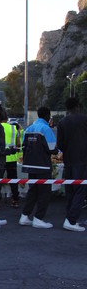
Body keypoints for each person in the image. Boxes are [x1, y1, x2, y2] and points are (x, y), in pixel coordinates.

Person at [19, 107, 58, 229]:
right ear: (47, 115)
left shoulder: (29, 128)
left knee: (33, 191)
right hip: (43, 166)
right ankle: (38, 218)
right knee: (44, 193)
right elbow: (53, 148)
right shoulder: (45, 128)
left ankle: (25, 216)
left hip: (30, 165)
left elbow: (23, 146)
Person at [57, 97, 87, 232]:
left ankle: (69, 216)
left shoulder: (62, 122)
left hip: (68, 161)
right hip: (82, 160)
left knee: (69, 190)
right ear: (78, 106)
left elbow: (60, 145)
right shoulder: (84, 119)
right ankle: (71, 219)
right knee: (80, 190)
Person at [1, 112, 20, 208]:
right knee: (13, 180)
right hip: (12, 158)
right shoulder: (13, 128)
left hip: (0, 157)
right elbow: (18, 144)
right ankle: (15, 200)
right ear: (7, 119)